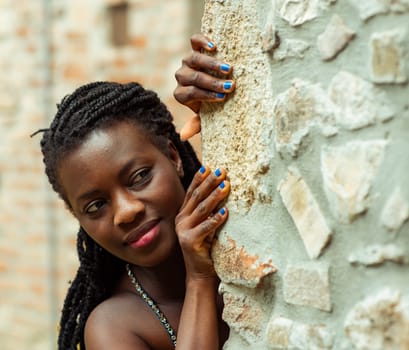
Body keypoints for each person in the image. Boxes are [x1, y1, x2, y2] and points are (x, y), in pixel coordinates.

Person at [36, 34, 235, 349]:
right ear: (77, 218)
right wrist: (199, 280)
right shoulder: (113, 327)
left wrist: (230, 90)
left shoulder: (242, 224)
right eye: (95, 206)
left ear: (172, 157)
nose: (126, 211)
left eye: (140, 176)